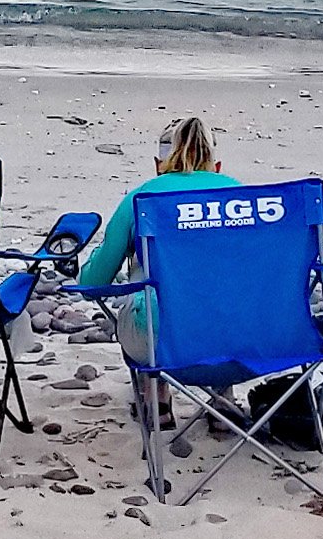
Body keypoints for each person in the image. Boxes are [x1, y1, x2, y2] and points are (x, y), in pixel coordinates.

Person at [74, 116, 239, 373]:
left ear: (158, 166)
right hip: (239, 337)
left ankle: (157, 395)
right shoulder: (242, 197)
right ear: (217, 167)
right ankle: (222, 394)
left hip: (159, 342)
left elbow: (92, 284)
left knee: (145, 276)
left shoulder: (142, 198)